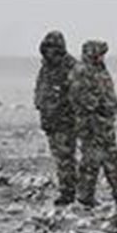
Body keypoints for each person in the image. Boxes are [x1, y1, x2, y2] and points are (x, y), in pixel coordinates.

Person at [70, 40, 117, 207]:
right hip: (91, 126)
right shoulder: (81, 71)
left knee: (113, 160)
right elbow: (82, 98)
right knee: (90, 161)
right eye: (99, 53)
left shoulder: (100, 70)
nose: (102, 57)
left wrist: (113, 106)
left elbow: (107, 93)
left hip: (105, 125)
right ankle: (85, 197)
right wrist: (102, 107)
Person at [34, 31, 78, 206]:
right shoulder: (45, 67)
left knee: (66, 158)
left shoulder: (70, 66)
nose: (50, 52)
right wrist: (40, 104)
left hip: (66, 121)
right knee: (60, 158)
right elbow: (40, 89)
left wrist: (66, 110)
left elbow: (78, 93)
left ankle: (68, 193)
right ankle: (67, 190)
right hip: (50, 120)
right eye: (48, 48)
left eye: (53, 48)